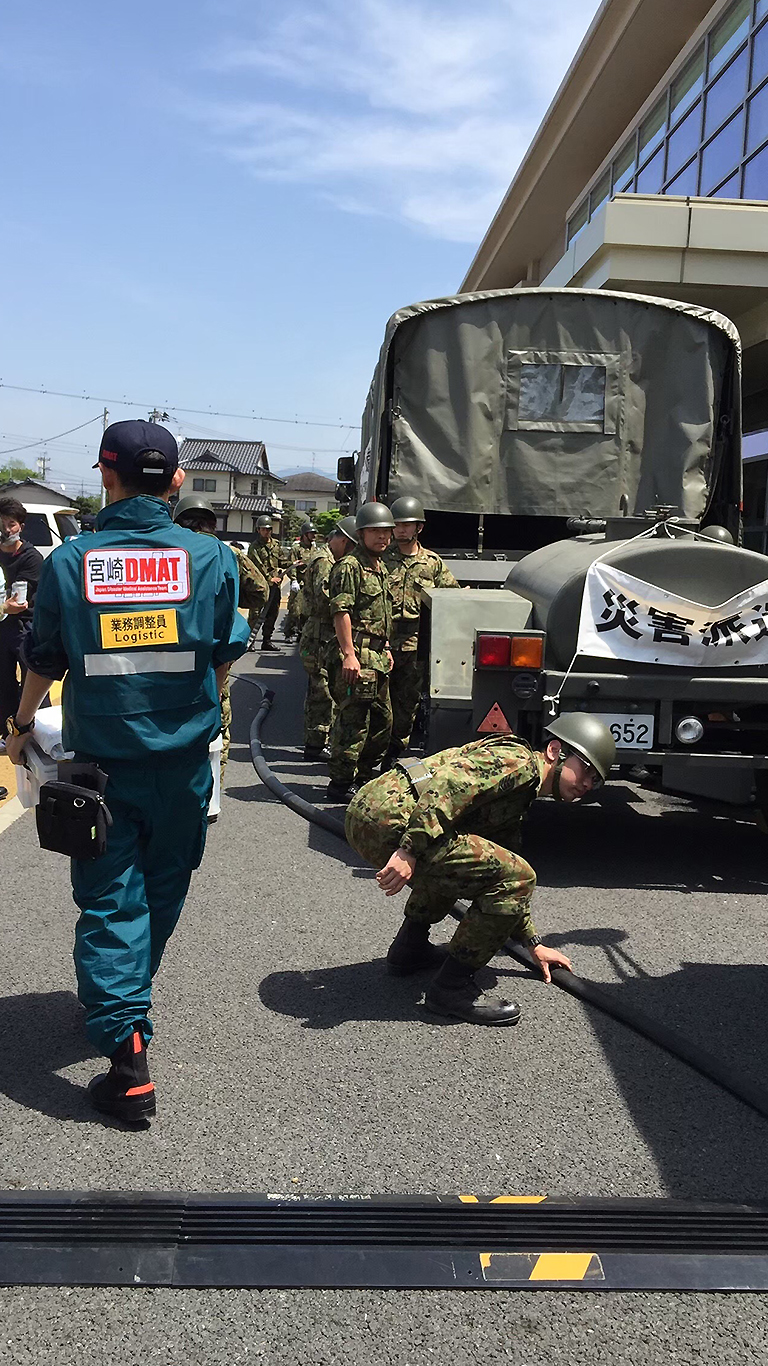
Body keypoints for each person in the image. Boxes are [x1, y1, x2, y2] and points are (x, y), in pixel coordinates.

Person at [6, 420, 249, 1123]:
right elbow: (224, 650)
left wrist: (21, 727)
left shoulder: (71, 560)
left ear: (105, 476)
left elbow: (44, 657)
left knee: (112, 900)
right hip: (184, 763)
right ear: (176, 481)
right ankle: (128, 1003)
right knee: (165, 884)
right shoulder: (211, 558)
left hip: (99, 767)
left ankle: (128, 1062)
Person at [345, 713, 616, 1025]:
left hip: (379, 813)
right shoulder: (520, 763)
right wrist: (409, 849)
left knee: (476, 862)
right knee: (518, 874)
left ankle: (410, 949)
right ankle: (451, 988)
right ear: (555, 751)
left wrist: (533, 943)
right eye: (584, 768)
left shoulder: (520, 794)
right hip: (393, 819)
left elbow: (500, 873)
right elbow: (451, 784)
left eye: (595, 780)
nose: (586, 784)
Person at [173, 494, 268, 775]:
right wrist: (231, 598)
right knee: (216, 721)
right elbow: (261, 591)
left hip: (168, 652)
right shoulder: (228, 553)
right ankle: (210, 792)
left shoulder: (166, 552)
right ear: (212, 523)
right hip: (215, 654)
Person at [325, 502, 395, 803]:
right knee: (353, 722)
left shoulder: (379, 566)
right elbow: (341, 611)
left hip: (378, 656)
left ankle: (365, 777)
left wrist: (388, 647)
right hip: (360, 655)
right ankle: (340, 783)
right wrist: (349, 654)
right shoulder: (350, 567)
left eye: (386, 532)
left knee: (382, 721)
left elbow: (381, 613)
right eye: (376, 532)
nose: (383, 538)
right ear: (361, 533)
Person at [383, 495, 460, 765]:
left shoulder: (432, 563)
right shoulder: (382, 559)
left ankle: (394, 753)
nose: (401, 529)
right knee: (377, 703)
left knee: (407, 704)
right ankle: (370, 754)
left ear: (419, 528)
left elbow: (451, 597)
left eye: (407, 525)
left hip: (416, 645)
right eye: (397, 524)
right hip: (385, 643)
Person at [299, 516, 357, 761]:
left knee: (323, 689)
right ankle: (315, 743)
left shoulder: (327, 557)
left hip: (323, 634)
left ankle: (317, 741)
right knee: (321, 691)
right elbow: (326, 599)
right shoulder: (325, 561)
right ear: (342, 540)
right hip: (319, 635)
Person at [0, 496, 44, 739]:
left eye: (12, 524)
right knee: (3, 682)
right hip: (2, 625)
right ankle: (6, 735)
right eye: (2, 523)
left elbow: (20, 598)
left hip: (26, 626)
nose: (6, 529)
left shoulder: (31, 557)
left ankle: (39, 734)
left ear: (21, 527)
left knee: (33, 683)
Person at [247, 514, 286, 652]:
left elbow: (282, 560)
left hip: (275, 587)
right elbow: (257, 565)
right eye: (263, 529)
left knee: (272, 613)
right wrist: (270, 578)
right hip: (260, 585)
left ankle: (266, 641)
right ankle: (249, 641)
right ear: (258, 530)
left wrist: (294, 563)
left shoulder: (276, 545)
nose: (266, 531)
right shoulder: (254, 547)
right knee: (256, 614)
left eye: (268, 529)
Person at [283, 521, 316, 643]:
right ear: (304, 534)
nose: (314, 536)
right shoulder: (296, 549)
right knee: (295, 610)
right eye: (311, 533)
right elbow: (292, 566)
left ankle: (301, 633)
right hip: (299, 582)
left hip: (309, 584)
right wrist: (293, 580)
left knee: (306, 611)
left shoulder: (314, 548)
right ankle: (289, 632)